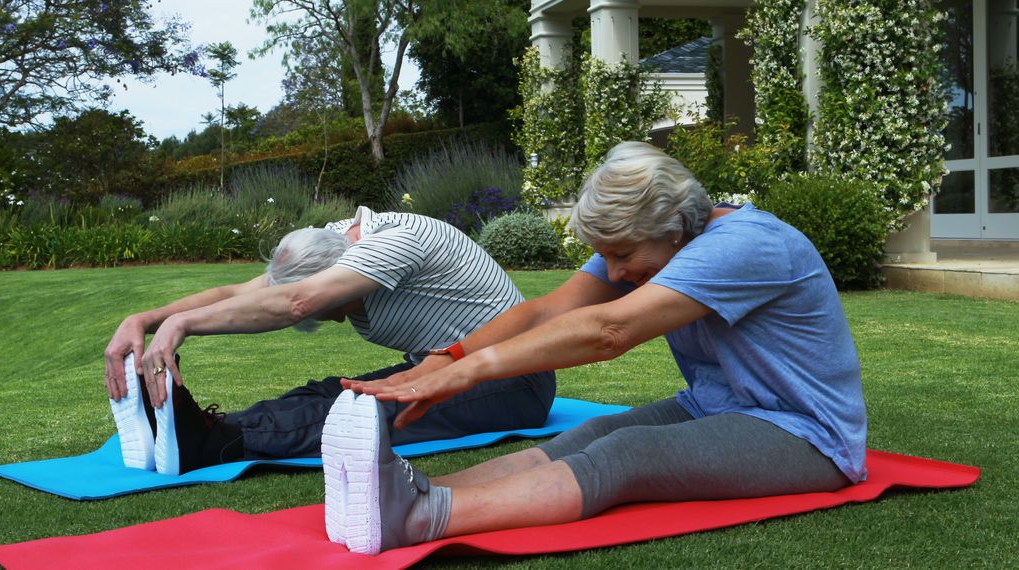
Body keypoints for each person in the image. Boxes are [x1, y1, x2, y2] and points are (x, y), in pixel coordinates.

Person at [323, 142, 868, 555]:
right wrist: (447, 359)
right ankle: (407, 492)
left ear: (676, 224)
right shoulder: (650, 239)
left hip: (806, 434)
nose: (614, 272)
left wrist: (474, 373)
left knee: (626, 454)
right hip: (717, 405)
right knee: (590, 434)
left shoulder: (748, 245)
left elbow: (609, 331)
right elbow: (547, 310)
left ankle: (419, 519)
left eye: (621, 255)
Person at [104, 206, 556, 475]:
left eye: (332, 308)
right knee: (327, 391)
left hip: (514, 380)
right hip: (447, 367)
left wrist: (181, 328)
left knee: (353, 413)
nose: (337, 319)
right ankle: (193, 431)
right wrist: (145, 319)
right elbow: (241, 293)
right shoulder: (330, 241)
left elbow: (298, 302)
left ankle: (215, 445)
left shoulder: (395, 242)